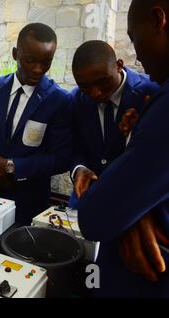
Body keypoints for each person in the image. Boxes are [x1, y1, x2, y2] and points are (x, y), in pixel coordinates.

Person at [77, 0, 169, 297]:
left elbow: (96, 216)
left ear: (158, 20)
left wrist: (128, 211)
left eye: (133, 37)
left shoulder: (154, 95)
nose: (137, 53)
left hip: (145, 272)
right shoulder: (79, 102)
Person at [0, 23, 72, 226]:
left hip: (30, 201)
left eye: (46, 63)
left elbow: (61, 158)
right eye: (30, 60)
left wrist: (12, 167)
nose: (38, 69)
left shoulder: (59, 99)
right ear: (15, 54)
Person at [70, 40, 158, 208]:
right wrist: (79, 169)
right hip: (88, 198)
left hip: (136, 202)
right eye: (85, 87)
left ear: (119, 65)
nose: (95, 93)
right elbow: (76, 147)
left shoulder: (150, 93)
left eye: (103, 82)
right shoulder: (77, 100)